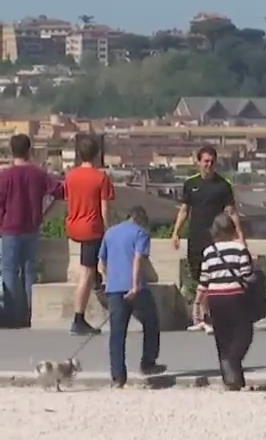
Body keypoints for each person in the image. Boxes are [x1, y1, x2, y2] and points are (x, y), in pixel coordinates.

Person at [171, 146, 243, 333]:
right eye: (205, 161)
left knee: (212, 279)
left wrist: (240, 237)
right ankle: (202, 318)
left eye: (212, 162)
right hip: (195, 238)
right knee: (199, 279)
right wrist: (176, 233)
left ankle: (209, 318)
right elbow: (184, 210)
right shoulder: (190, 184)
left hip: (217, 240)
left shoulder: (223, 185)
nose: (208, 165)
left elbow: (232, 212)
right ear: (198, 162)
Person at [0, 134, 63, 328]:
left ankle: (12, 315)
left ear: (12, 151)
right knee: (29, 272)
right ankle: (29, 314)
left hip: (9, 228)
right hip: (32, 228)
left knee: (9, 271)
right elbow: (60, 192)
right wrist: (45, 212)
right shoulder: (39, 174)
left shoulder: (5, 176)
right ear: (30, 150)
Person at [99, 206, 166, 388]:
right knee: (151, 322)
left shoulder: (110, 233)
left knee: (117, 334)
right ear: (141, 219)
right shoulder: (141, 233)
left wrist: (111, 280)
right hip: (135, 288)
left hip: (114, 289)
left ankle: (118, 377)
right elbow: (138, 259)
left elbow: (103, 262)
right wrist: (135, 285)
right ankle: (148, 362)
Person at [196, 214, 255, 391]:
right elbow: (247, 275)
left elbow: (204, 280)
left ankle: (232, 379)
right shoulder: (240, 249)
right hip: (235, 296)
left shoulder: (208, 252)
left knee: (223, 338)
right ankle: (233, 362)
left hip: (215, 298)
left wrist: (198, 303)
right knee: (243, 333)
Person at [64, 133, 115, 335]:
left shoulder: (71, 176)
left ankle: (96, 281)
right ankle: (78, 318)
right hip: (91, 227)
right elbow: (105, 210)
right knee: (86, 271)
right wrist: (108, 231)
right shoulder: (101, 177)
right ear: (98, 154)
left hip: (74, 225)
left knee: (90, 267)